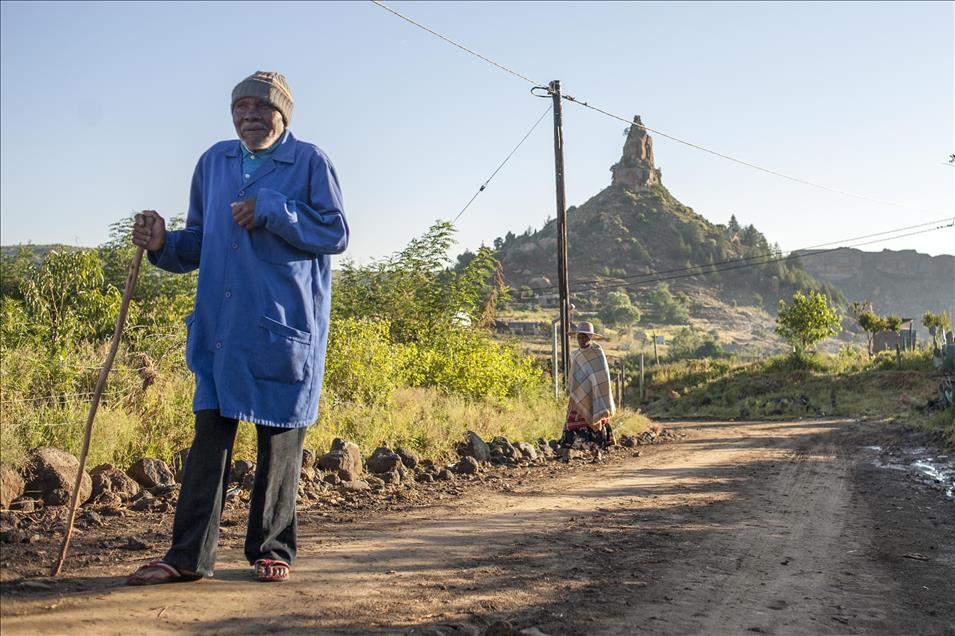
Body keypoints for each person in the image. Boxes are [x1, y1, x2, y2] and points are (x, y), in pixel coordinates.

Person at [126, 71, 348, 585]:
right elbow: (200, 242)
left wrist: (272, 209)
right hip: (222, 327)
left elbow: (335, 232)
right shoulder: (214, 162)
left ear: (283, 115)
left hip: (282, 326)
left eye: (263, 108)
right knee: (209, 441)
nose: (251, 115)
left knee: (279, 443)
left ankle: (273, 549)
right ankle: (186, 558)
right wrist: (163, 242)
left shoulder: (310, 161)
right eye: (241, 106)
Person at [561, 322, 616, 449]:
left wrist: (596, 391)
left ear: (590, 337)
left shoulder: (597, 352)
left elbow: (601, 376)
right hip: (578, 395)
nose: (581, 340)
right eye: (579, 337)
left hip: (595, 394)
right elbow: (574, 376)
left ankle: (598, 452)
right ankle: (565, 454)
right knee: (572, 421)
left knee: (597, 422)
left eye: (584, 337)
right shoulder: (575, 355)